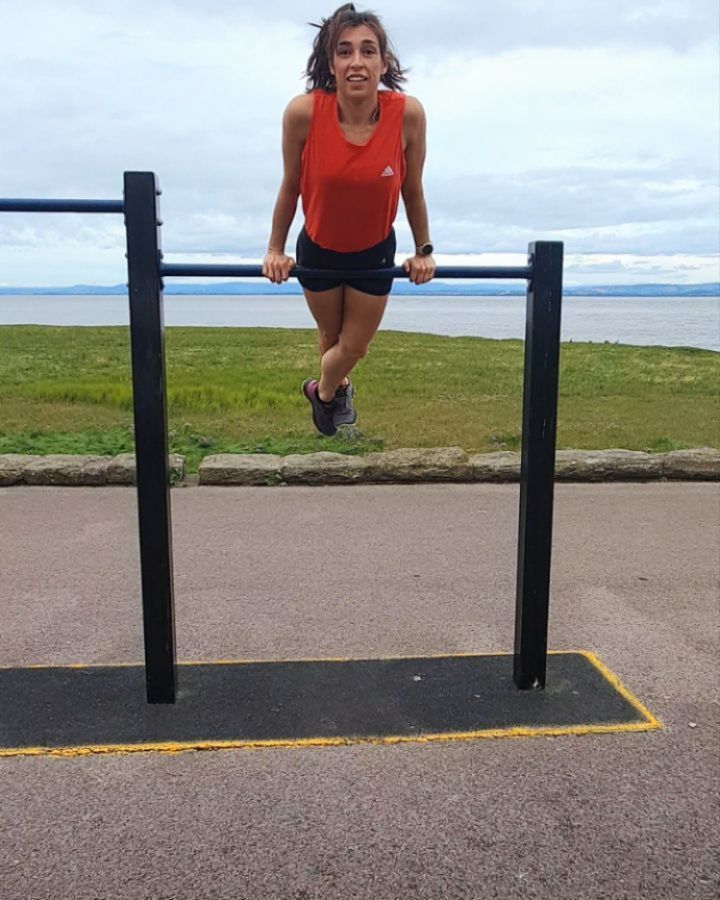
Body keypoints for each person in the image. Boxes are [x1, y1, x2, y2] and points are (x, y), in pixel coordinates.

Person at [262, 3, 435, 436]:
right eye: (344, 52)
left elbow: (412, 189)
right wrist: (275, 250)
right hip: (317, 249)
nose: (356, 62)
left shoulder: (408, 115)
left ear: (383, 62)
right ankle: (333, 398)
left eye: (367, 51)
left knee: (353, 346)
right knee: (331, 335)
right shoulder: (303, 113)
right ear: (331, 64)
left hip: (374, 252)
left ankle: (320, 392)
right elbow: (290, 187)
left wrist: (423, 251)